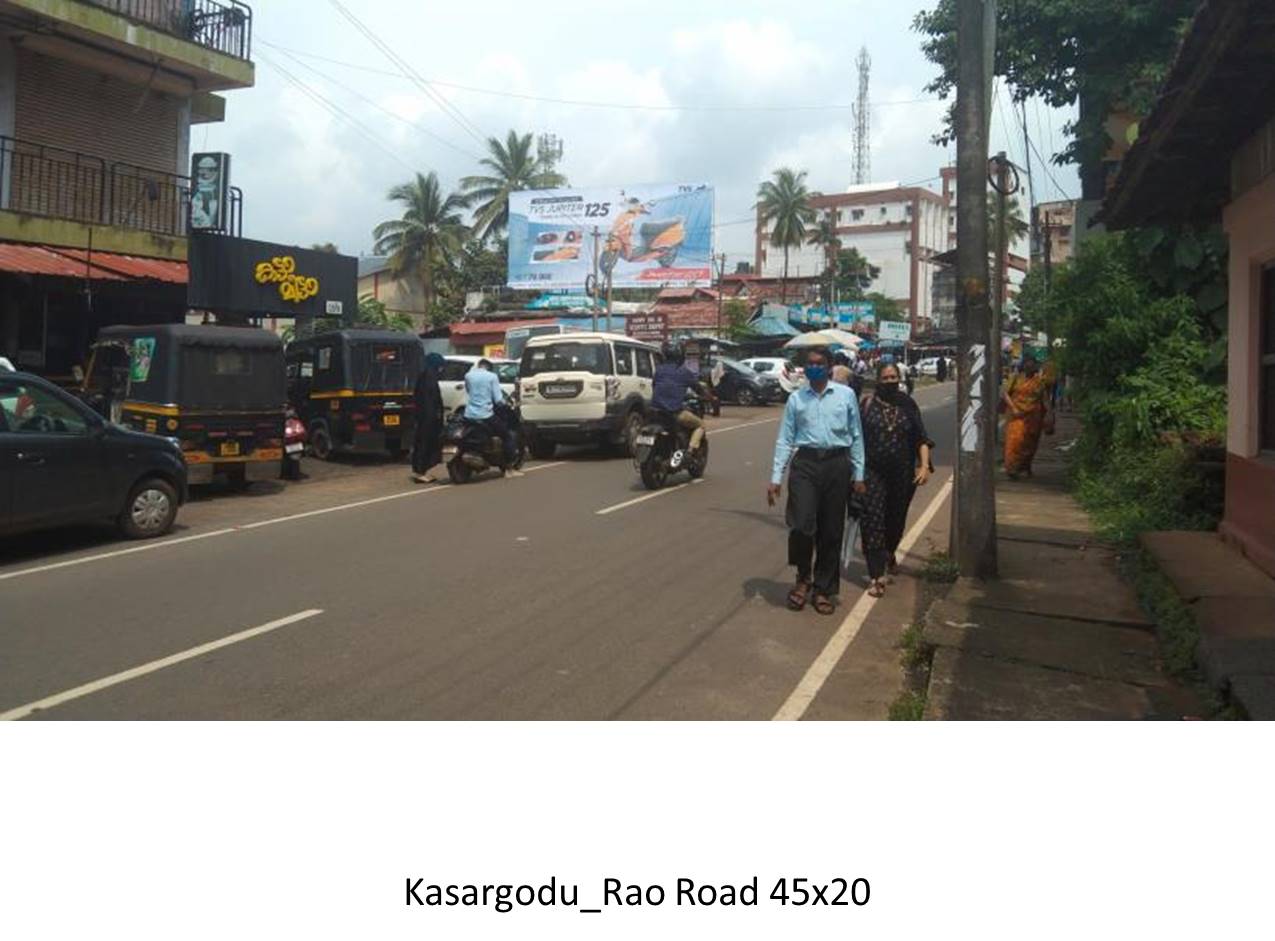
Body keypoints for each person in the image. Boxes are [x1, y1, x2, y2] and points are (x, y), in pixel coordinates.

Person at [768, 347, 866, 616]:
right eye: (809, 364)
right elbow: (785, 439)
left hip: (837, 464)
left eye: (819, 364)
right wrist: (776, 477)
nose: (814, 368)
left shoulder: (845, 396)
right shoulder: (797, 399)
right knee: (801, 525)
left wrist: (859, 474)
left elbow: (856, 435)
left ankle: (823, 589)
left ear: (829, 366)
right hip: (806, 465)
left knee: (831, 531)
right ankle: (803, 578)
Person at [858, 363, 934, 597]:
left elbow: (921, 437)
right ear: (878, 379)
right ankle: (876, 575)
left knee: (895, 519)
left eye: (894, 377)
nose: (890, 381)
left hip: (902, 474)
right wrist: (855, 472)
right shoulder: (867, 405)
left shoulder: (908, 404)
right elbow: (855, 438)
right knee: (872, 520)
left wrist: (923, 465)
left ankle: (889, 552)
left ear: (899, 379)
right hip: (872, 472)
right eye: (885, 377)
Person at [464, 358, 522, 478]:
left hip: (469, 415)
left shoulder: (468, 376)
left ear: (479, 366)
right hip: (485, 415)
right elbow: (498, 399)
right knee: (507, 436)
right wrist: (507, 404)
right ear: (489, 368)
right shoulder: (492, 377)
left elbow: (469, 392)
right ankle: (509, 469)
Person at [1001, 355, 1051, 480]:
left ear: (1035, 367)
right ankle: (1012, 469)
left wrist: (1049, 413)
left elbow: (1044, 398)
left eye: (1032, 365)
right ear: (1023, 366)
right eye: (1027, 364)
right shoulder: (1016, 378)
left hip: (1034, 416)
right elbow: (1005, 394)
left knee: (1030, 443)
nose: (1029, 367)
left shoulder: (1039, 381)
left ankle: (1025, 466)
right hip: (1016, 414)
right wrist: (1013, 408)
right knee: (1015, 441)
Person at [652, 344, 706, 453]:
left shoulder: (659, 370)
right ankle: (690, 451)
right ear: (681, 357)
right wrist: (709, 397)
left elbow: (654, 386)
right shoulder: (684, 372)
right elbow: (698, 389)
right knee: (701, 425)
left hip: (655, 411)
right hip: (674, 413)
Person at [411, 352, 445, 483]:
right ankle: (420, 471)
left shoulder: (426, 375)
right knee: (425, 442)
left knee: (422, 442)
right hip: (427, 418)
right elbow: (429, 400)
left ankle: (421, 470)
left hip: (423, 416)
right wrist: (434, 417)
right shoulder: (428, 377)